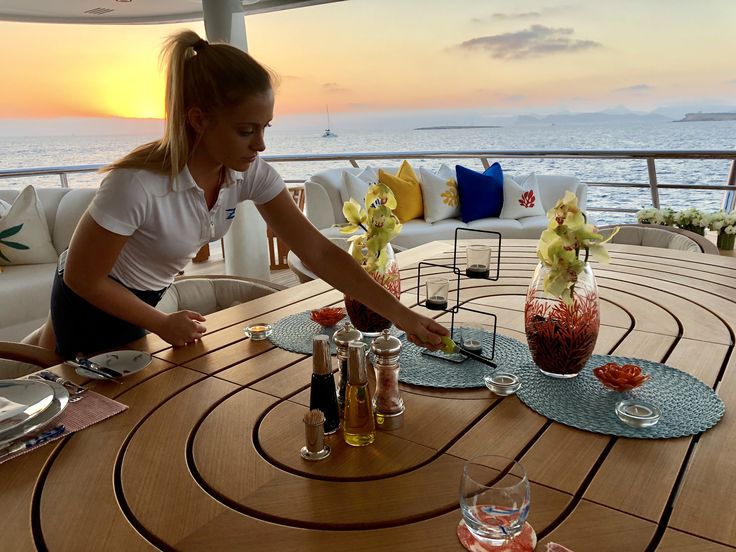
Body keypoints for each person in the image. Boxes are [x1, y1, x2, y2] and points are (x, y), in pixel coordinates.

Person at [33, 30, 447, 359]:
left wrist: (404, 317)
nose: (261, 144)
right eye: (246, 130)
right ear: (198, 120)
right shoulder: (137, 184)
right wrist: (160, 323)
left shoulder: (249, 174)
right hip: (89, 300)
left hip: (144, 299)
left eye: (266, 127)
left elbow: (319, 253)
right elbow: (82, 278)